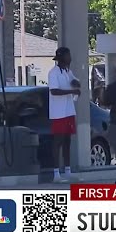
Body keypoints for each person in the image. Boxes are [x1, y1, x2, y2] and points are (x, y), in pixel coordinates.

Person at [48, 47, 81, 183]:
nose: (70, 58)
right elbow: (54, 91)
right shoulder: (53, 73)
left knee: (68, 141)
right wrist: (70, 91)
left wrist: (76, 84)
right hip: (58, 112)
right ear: (61, 58)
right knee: (58, 141)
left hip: (69, 111)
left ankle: (67, 171)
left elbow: (75, 82)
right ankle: (56, 173)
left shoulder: (68, 71)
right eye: (68, 56)